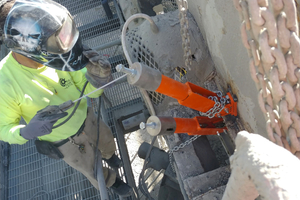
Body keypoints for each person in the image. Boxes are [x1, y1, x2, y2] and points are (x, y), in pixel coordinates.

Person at [0, 0, 132, 197]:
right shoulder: (4, 82)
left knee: (106, 140)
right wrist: (25, 132)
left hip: (87, 118)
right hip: (64, 143)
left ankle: (111, 156)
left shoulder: (54, 55)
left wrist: (97, 81)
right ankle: (112, 180)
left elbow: (83, 89)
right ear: (25, 45)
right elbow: (4, 129)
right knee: (91, 170)